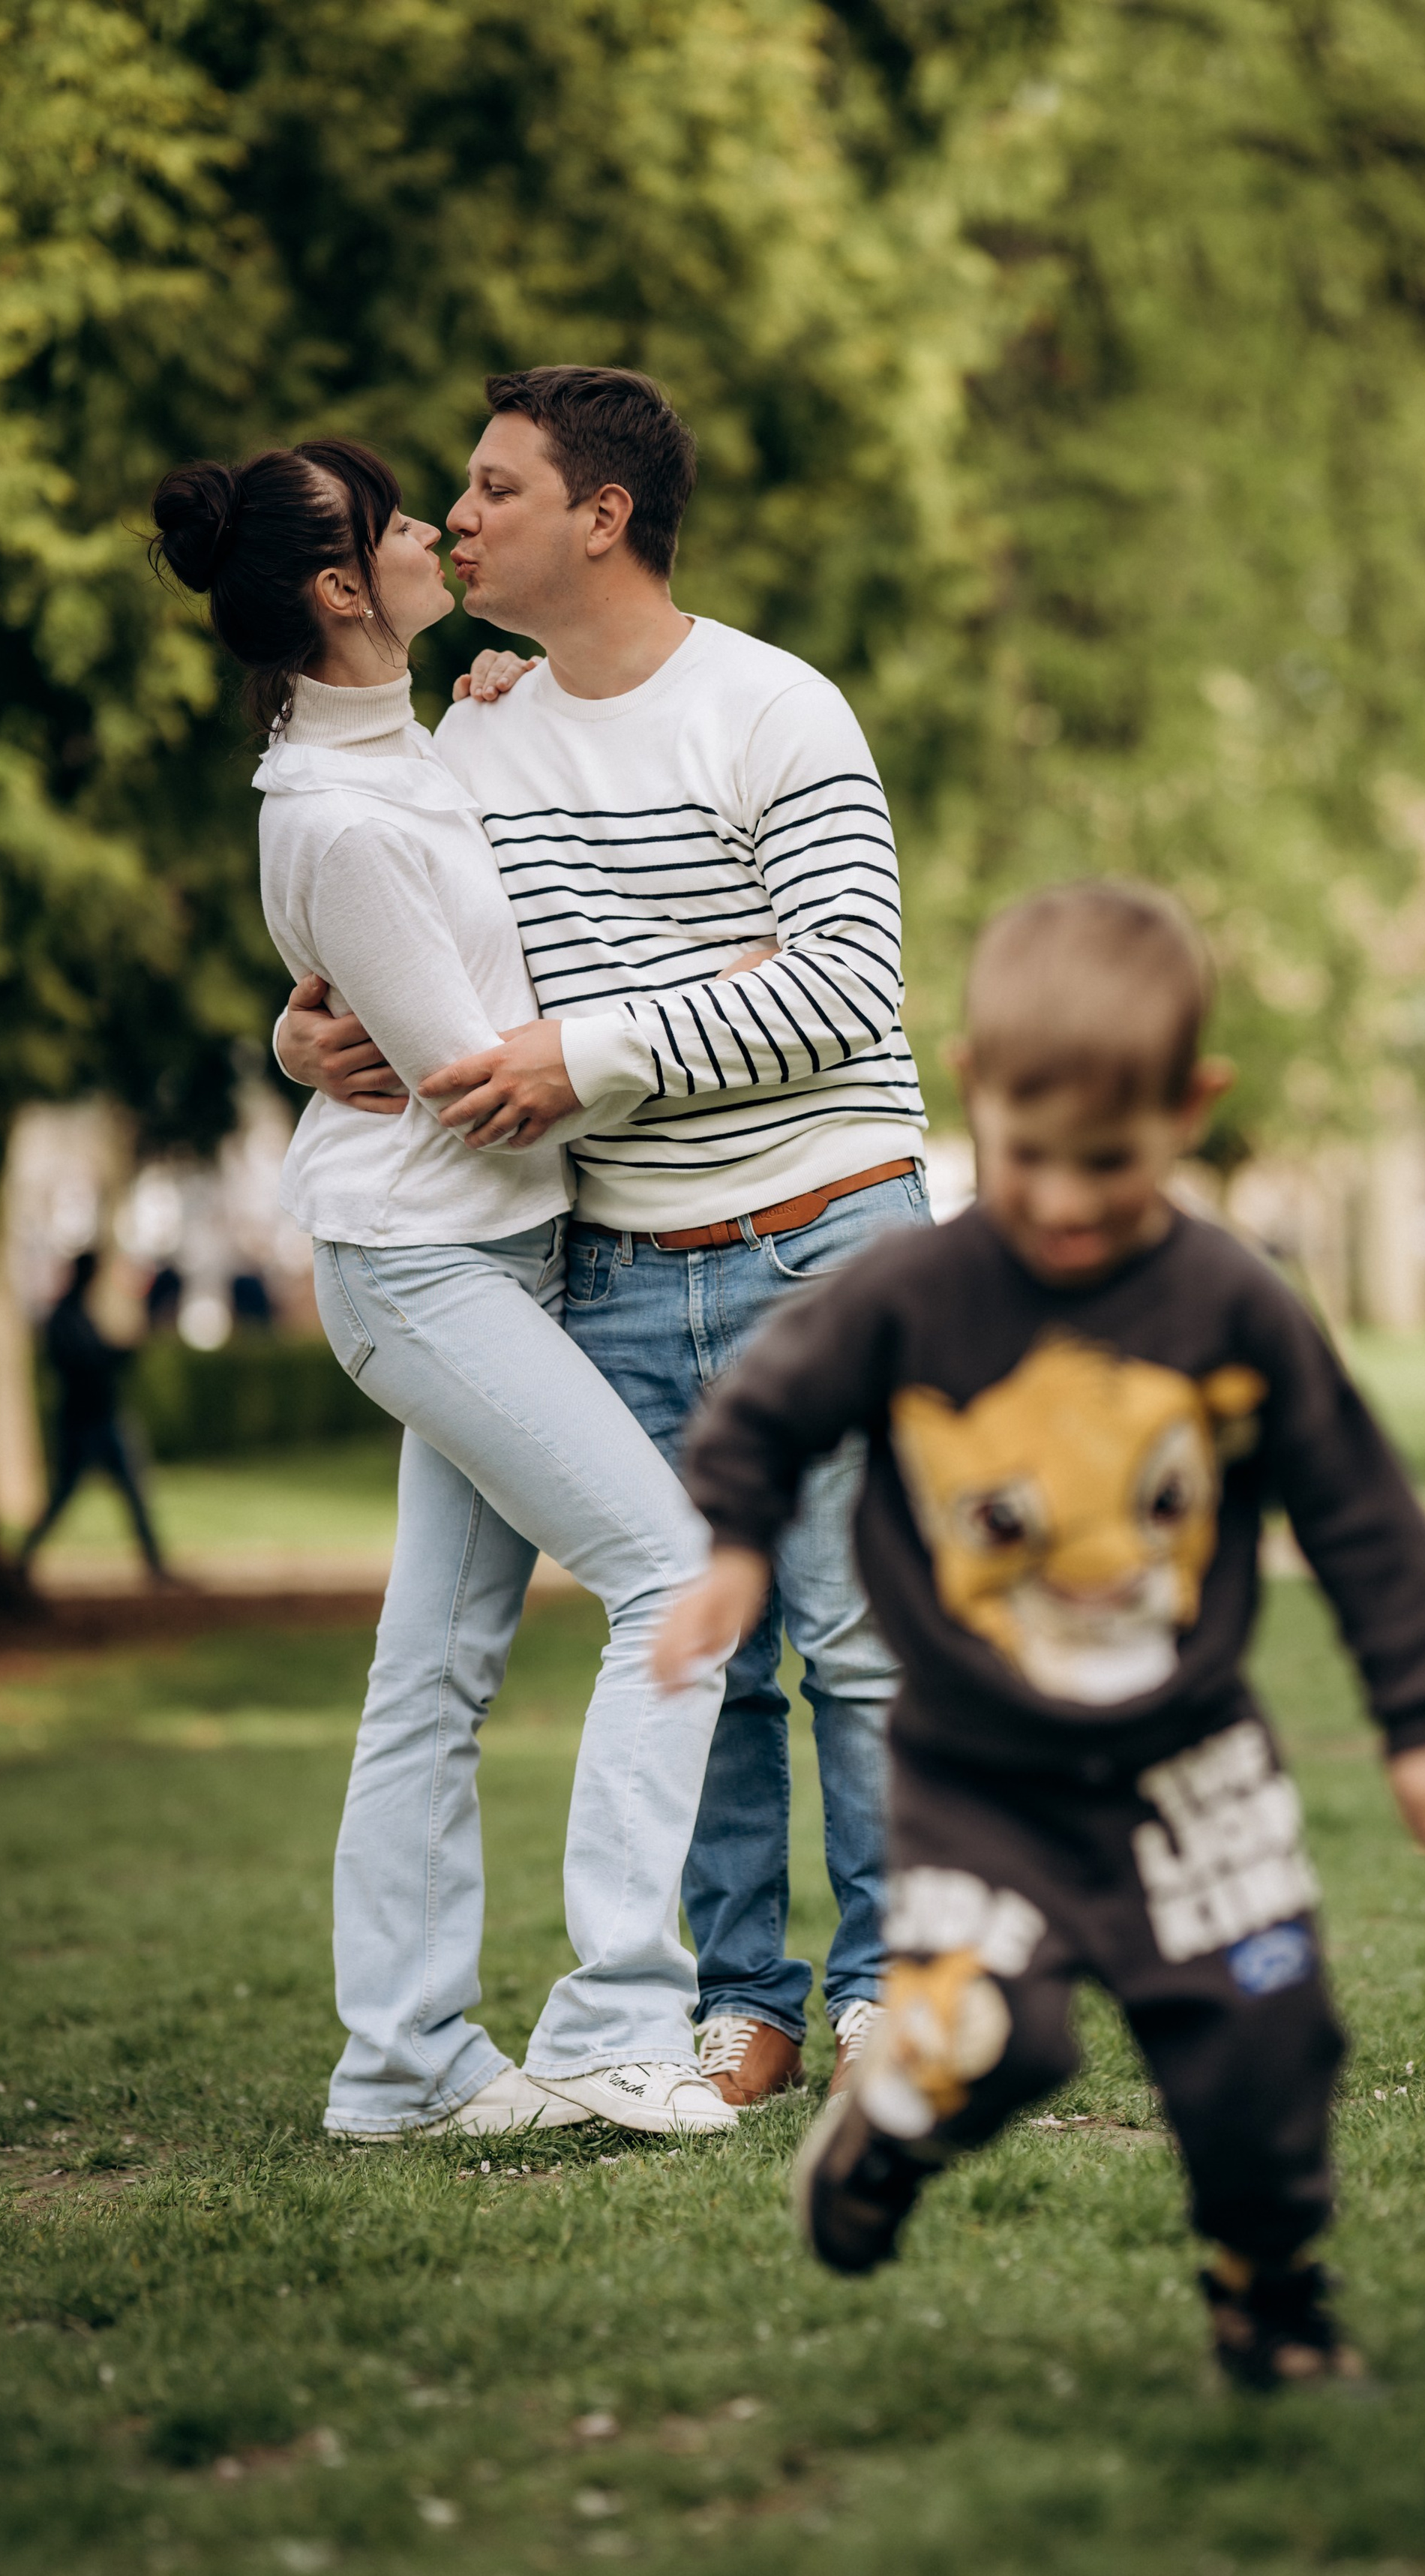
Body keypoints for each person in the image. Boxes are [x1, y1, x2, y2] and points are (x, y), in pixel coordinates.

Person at [654, 882, 1425, 2389]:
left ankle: (1268, 2300)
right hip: (983, 1773)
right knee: (998, 2038)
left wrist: (1419, 1718)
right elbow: (767, 1408)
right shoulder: (914, 1297)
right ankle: (893, 2125)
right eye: (1028, 1158)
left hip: (1190, 1770)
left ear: (1192, 1108)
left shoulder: (1229, 1302)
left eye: (1108, 1164)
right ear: (973, 1088)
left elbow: (1354, 1505)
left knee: (1268, 2039)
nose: (1059, 1201)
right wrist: (727, 1543)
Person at [277, 366, 929, 2109]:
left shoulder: (777, 708)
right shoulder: (471, 732)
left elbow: (848, 982)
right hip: (615, 1254)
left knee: (857, 1633)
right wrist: (303, 1033)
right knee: (694, 1650)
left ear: (602, 516)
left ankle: (879, 1987)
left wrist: (599, 1044)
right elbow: (416, 953)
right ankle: (740, 2001)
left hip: (822, 1225)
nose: (458, 517)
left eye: (492, 488)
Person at [151, 437, 734, 2142]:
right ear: (339, 587)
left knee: (436, 1674)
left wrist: (489, 703)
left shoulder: (403, 751)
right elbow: (473, 1078)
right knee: (672, 1579)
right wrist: (718, 1003)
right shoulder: (335, 815)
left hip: (486, 1254)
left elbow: (415, 985)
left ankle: (399, 2065)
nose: (434, 535)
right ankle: (622, 2024)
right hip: (421, 1264)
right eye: (401, 522)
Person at [20, 1253, 169, 1584]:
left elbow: (100, 1357)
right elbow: (87, 1363)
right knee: (64, 1496)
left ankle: (155, 1565)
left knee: (134, 1493)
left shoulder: (79, 1315)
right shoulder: (64, 1318)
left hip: (104, 1418)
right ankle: (22, 1560)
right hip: (82, 1423)